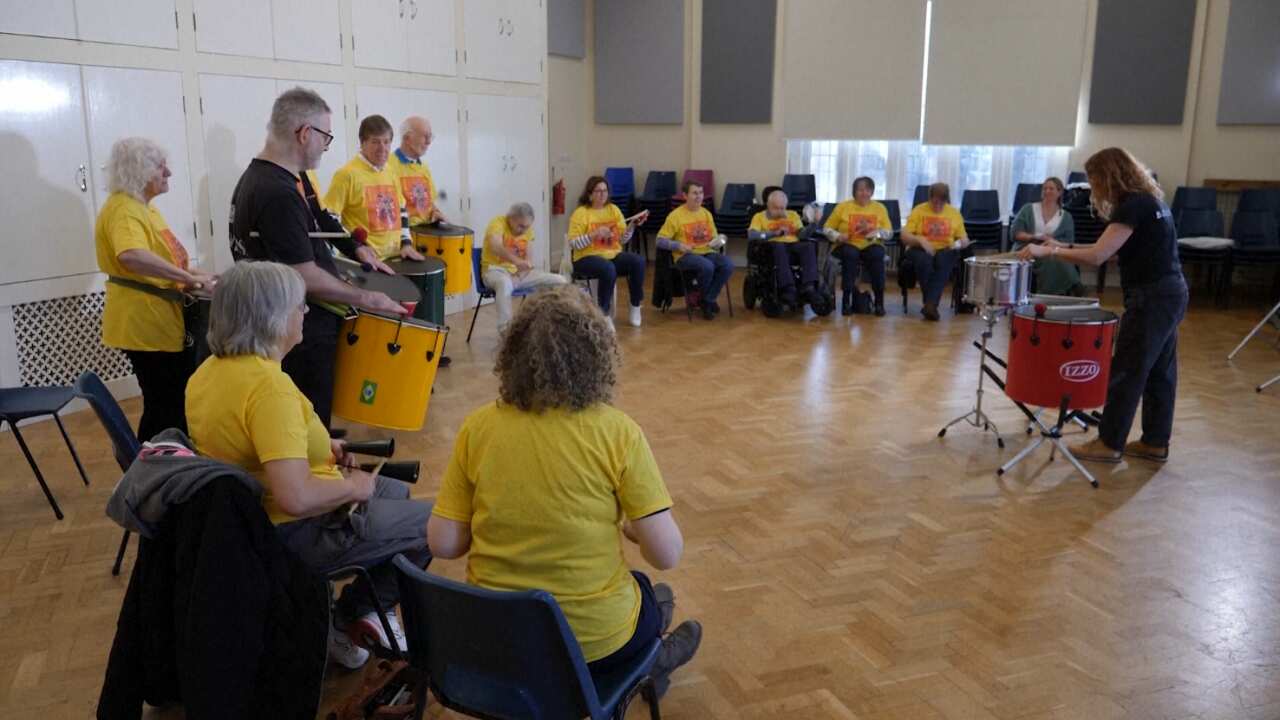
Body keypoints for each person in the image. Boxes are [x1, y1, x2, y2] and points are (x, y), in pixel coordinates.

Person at [427, 285, 702, 696]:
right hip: (593, 645)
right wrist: (630, 530)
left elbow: (443, 543)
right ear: (597, 357)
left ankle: (647, 638)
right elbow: (668, 553)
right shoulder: (617, 432)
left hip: (497, 641)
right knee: (643, 585)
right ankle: (652, 662)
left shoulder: (477, 428)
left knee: (644, 593)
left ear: (513, 356)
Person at [185, 261, 433, 670]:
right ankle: (347, 617)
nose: (305, 314)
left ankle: (368, 607)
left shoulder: (207, 372)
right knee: (432, 524)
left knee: (398, 491)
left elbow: (258, 443)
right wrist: (353, 489)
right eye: (300, 307)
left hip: (248, 523)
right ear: (271, 318)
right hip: (295, 529)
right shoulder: (269, 389)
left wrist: (324, 446)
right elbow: (295, 496)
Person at [230, 87, 405, 428]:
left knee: (312, 414)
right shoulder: (275, 192)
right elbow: (303, 274)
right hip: (297, 328)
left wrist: (355, 247)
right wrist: (368, 297)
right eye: (325, 136)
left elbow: (320, 216)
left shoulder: (291, 177)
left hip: (301, 321)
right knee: (308, 418)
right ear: (305, 133)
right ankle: (315, 473)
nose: (327, 146)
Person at [1017, 147, 1188, 463]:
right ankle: (1155, 441)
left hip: (1151, 298)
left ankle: (1109, 443)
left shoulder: (1131, 207)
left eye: (1094, 179)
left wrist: (1050, 252)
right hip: (1171, 292)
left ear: (1109, 177)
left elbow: (1097, 256)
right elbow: (1107, 250)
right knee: (1160, 373)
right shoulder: (1152, 203)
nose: (1093, 187)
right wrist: (1062, 245)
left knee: (1128, 370)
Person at [95, 137, 217, 442]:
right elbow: (132, 255)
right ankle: (152, 468)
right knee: (164, 403)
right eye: (160, 167)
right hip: (142, 322)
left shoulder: (146, 209)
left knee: (172, 399)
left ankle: (164, 463)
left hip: (158, 320)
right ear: (138, 171)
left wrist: (205, 276)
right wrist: (188, 280)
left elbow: (166, 259)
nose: (169, 173)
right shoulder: (124, 209)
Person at [325, 114, 426, 262]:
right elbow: (329, 218)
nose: (382, 148)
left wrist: (406, 243)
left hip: (394, 259)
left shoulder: (390, 171)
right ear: (362, 142)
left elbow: (401, 210)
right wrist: (355, 247)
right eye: (375, 142)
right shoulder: (346, 175)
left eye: (386, 142)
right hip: (362, 262)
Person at [568, 176, 650, 329]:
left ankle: (635, 305)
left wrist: (632, 226)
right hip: (585, 258)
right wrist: (594, 235)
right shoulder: (581, 213)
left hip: (612, 255)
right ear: (590, 194)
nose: (602, 194)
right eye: (598, 191)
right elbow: (573, 243)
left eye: (605, 191)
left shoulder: (613, 209)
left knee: (638, 261)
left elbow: (623, 240)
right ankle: (603, 315)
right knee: (607, 268)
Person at [481, 202, 567, 332]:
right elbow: (495, 247)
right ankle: (506, 331)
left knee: (560, 280)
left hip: (518, 275)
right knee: (505, 283)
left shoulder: (527, 231)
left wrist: (519, 275)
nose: (524, 230)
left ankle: (557, 325)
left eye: (527, 227)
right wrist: (516, 262)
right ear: (510, 218)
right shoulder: (497, 223)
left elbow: (528, 261)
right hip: (494, 271)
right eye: (521, 226)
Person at [657, 180, 733, 320]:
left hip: (707, 251)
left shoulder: (706, 214)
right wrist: (678, 246)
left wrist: (718, 242)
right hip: (686, 255)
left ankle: (707, 299)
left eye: (701, 193)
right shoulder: (675, 216)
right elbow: (660, 240)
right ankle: (706, 300)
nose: (699, 196)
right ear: (685, 196)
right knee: (707, 266)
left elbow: (714, 237)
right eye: (694, 193)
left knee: (727, 264)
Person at [900, 182, 970, 321]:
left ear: (947, 200)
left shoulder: (954, 213)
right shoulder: (919, 210)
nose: (938, 206)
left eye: (942, 203)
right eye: (935, 202)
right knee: (924, 260)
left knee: (944, 261)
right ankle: (931, 304)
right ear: (929, 198)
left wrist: (961, 243)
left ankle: (929, 304)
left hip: (946, 249)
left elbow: (964, 238)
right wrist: (920, 240)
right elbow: (904, 236)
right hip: (919, 248)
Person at [823, 176, 892, 316]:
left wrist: (876, 234)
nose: (864, 193)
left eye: (867, 190)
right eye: (860, 190)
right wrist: (838, 236)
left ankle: (879, 302)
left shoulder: (880, 208)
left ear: (872, 192)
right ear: (854, 191)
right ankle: (846, 301)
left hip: (871, 244)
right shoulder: (843, 207)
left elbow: (889, 232)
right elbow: (827, 228)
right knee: (850, 254)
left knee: (877, 255)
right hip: (848, 243)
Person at [749, 188, 819, 315]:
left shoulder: (792, 215)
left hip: (793, 246)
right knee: (778, 245)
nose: (780, 211)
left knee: (808, 245)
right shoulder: (759, 217)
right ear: (768, 206)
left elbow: (802, 235)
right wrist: (773, 233)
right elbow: (752, 235)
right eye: (776, 208)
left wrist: (813, 224)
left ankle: (809, 286)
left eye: (782, 208)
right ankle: (788, 287)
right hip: (771, 249)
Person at [1010, 177, 1082, 296]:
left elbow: (1068, 242)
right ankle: (1069, 288)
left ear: (1059, 192)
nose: (1047, 191)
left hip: (1051, 249)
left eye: (1051, 189)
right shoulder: (1028, 209)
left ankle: (1056, 294)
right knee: (1052, 260)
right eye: (1045, 188)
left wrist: (1053, 241)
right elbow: (1015, 233)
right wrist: (1034, 237)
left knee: (1055, 258)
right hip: (1027, 248)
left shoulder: (1066, 216)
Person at [387, 115, 448, 227]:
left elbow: (430, 203)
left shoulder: (424, 168)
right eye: (425, 136)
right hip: (404, 235)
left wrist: (436, 212)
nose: (429, 142)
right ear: (407, 138)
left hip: (427, 233)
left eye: (430, 137)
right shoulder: (388, 166)